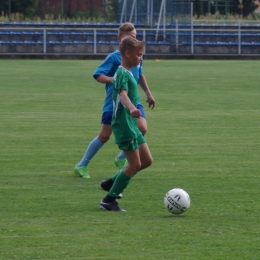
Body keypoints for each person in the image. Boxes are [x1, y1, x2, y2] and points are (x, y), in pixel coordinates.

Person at [74, 22, 155, 179]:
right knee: (104, 135)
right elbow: (98, 75)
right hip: (115, 102)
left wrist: (148, 93)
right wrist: (114, 80)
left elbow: (140, 74)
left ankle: (121, 158)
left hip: (133, 100)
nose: (132, 40)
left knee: (142, 127)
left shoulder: (138, 55)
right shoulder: (114, 57)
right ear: (120, 39)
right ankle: (82, 165)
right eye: (129, 37)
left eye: (134, 37)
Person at [100, 36, 153, 211]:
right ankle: (109, 200)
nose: (141, 58)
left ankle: (112, 182)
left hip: (131, 123)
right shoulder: (122, 72)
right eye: (139, 55)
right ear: (128, 53)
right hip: (124, 124)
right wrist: (131, 108)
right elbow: (122, 94)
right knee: (134, 164)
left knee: (146, 160)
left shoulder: (130, 71)